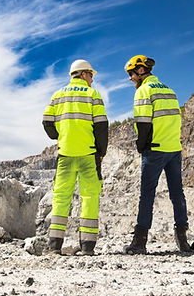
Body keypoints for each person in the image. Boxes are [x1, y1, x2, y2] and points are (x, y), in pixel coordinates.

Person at [123, 55, 192, 254]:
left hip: (155, 149)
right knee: (177, 193)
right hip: (174, 149)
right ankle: (183, 240)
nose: (130, 78)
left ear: (142, 71)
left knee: (147, 194)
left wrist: (141, 146)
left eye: (131, 73)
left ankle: (139, 242)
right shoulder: (169, 90)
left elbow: (143, 124)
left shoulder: (143, 91)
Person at [42, 59, 108, 256]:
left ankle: (55, 246)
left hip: (65, 154)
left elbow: (46, 122)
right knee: (89, 197)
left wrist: (59, 136)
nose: (93, 80)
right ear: (84, 74)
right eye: (91, 76)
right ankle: (87, 248)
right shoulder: (92, 95)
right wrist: (101, 151)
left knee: (61, 198)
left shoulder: (58, 95)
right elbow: (102, 126)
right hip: (88, 154)